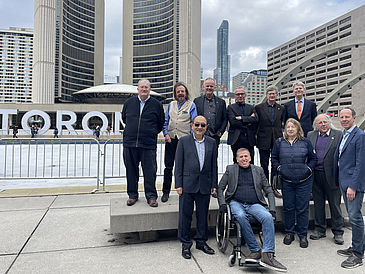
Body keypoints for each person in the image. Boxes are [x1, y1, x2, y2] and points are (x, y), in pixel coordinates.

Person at [217, 148, 287, 272]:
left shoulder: (258, 170)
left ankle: (268, 254)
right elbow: (220, 188)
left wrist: (272, 209)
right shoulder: (231, 169)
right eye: (241, 157)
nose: (244, 159)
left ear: (250, 158)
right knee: (240, 216)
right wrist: (222, 204)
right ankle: (255, 250)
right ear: (237, 159)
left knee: (267, 217)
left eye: (246, 156)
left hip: (254, 203)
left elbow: (269, 191)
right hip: (236, 202)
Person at [175, 115, 217, 259]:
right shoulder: (183, 141)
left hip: (204, 184)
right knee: (185, 217)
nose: (200, 127)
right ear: (192, 125)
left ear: (206, 127)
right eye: (197, 124)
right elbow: (178, 164)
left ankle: (201, 241)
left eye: (203, 125)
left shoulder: (212, 142)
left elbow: (213, 165)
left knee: (202, 215)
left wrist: (213, 184)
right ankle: (185, 245)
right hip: (187, 184)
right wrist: (178, 184)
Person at [272, 118, 317, 248]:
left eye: (293, 126)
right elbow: (274, 158)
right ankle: (290, 232)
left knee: (302, 209)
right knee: (288, 207)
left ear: (298, 129)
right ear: (285, 129)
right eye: (288, 127)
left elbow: (313, 158)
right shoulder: (279, 142)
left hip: (304, 181)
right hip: (287, 181)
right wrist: (280, 168)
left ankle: (302, 235)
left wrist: (308, 169)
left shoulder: (305, 142)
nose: (290, 129)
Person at [122, 79, 165, 207]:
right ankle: (132, 195)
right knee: (131, 170)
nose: (144, 89)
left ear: (149, 89)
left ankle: (151, 196)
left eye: (146, 87)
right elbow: (125, 118)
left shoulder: (156, 104)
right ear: (137, 89)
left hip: (148, 144)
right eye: (142, 87)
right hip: (130, 143)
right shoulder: (129, 103)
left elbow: (160, 123)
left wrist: (150, 133)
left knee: (150, 171)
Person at [334, 107, 365, 269]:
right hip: (344, 183)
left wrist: (353, 186)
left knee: (355, 218)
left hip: (353, 185)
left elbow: (361, 164)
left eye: (347, 117)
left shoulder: (360, 136)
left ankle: (358, 255)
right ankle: (356, 246)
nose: (344, 119)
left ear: (354, 118)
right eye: (342, 117)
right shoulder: (344, 134)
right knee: (353, 216)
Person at [307, 114, 344, 245]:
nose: (323, 125)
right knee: (318, 204)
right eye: (319, 123)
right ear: (316, 125)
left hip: (332, 175)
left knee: (334, 205)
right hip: (316, 175)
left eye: (325, 122)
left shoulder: (339, 134)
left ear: (329, 122)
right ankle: (319, 229)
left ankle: (338, 232)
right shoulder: (311, 135)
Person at [161, 82, 197, 203]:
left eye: (182, 91)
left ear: (186, 93)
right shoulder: (171, 105)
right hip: (171, 139)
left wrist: (192, 138)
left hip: (184, 141)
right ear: (175, 94)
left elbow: (194, 123)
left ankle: (185, 190)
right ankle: (165, 191)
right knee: (168, 166)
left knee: (185, 168)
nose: (180, 93)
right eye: (178, 92)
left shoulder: (191, 105)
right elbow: (165, 120)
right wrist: (165, 133)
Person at [255, 85, 285, 198]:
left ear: (276, 95)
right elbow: (255, 123)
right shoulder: (259, 107)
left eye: (274, 94)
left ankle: (273, 188)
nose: (272, 96)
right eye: (270, 94)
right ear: (267, 95)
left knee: (275, 164)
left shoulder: (281, 109)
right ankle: (264, 187)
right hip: (263, 139)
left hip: (277, 140)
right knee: (264, 165)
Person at [194, 77, 227, 148]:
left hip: (215, 135)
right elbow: (194, 117)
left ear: (215, 88)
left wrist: (221, 131)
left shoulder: (221, 102)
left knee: (213, 157)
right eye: (207, 86)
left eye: (211, 86)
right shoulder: (197, 101)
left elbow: (224, 118)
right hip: (200, 134)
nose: (209, 88)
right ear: (203, 87)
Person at [227, 87, 258, 163]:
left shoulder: (251, 107)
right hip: (236, 138)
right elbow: (233, 122)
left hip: (249, 137)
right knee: (237, 160)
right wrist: (248, 122)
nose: (240, 96)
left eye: (242, 94)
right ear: (235, 96)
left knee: (250, 161)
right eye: (238, 94)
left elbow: (255, 119)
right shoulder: (230, 108)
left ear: (245, 95)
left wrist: (241, 118)